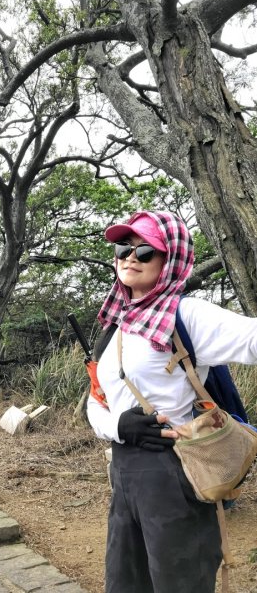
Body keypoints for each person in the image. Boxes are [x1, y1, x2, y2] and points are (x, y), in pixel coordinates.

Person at [86, 210, 257, 593]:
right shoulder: (115, 327)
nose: (131, 257)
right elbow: (95, 401)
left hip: (177, 471)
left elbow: (251, 340)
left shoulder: (186, 314)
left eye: (146, 251)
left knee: (181, 582)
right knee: (125, 582)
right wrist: (118, 426)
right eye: (123, 247)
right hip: (125, 473)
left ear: (170, 260)